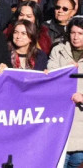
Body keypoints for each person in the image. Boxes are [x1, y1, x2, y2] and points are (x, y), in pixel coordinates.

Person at [48, 17, 83, 168]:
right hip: (59, 124)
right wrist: (64, 71)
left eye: (80, 33)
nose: (75, 37)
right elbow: (51, 77)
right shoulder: (58, 50)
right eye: (73, 33)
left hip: (80, 131)